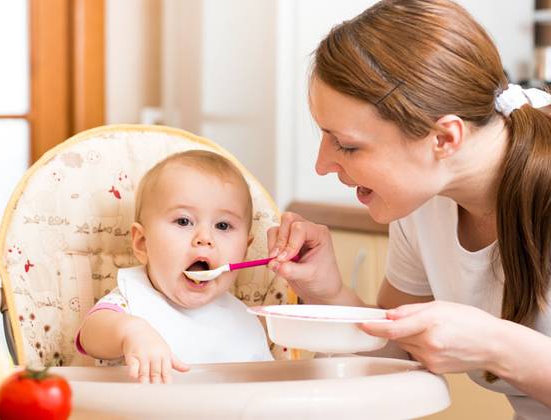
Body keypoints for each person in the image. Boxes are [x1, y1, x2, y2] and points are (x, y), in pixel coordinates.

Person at [267, 0, 551, 417]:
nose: (322, 165)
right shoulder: (424, 202)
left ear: (444, 139)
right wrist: (327, 291)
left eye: (347, 144)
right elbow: (396, 349)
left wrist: (497, 345)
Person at [76, 150, 273, 384]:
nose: (204, 238)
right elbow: (90, 335)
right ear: (142, 242)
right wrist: (131, 332)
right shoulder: (130, 303)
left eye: (222, 225)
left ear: (245, 251)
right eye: (183, 221)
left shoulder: (245, 321)